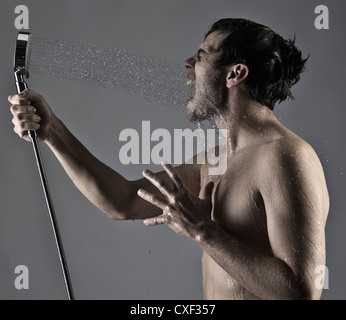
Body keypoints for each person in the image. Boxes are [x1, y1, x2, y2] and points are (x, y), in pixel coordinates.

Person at [8, 18, 329, 300]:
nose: (188, 63)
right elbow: (122, 202)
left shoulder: (287, 158)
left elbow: (302, 292)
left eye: (202, 56)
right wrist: (53, 132)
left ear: (235, 74)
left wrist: (204, 231)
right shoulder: (214, 161)